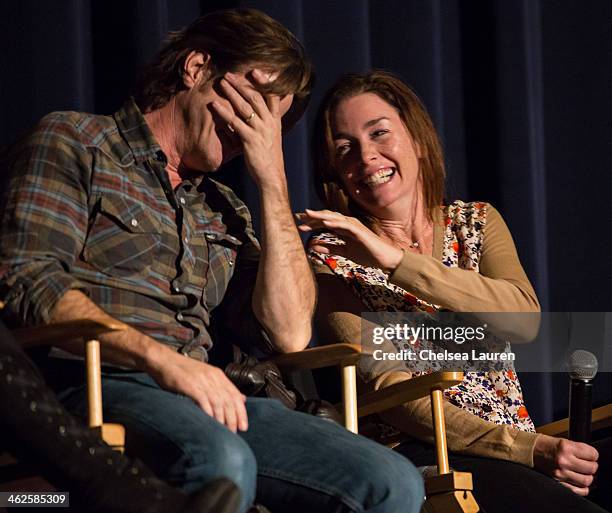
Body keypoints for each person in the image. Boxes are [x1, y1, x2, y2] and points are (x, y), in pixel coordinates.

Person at [0, 11, 424, 513]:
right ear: (197, 69)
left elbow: (289, 335)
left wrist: (272, 178)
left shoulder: (223, 207)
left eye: (272, 120)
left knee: (390, 480)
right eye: (252, 102)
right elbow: (28, 279)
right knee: (221, 460)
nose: (256, 129)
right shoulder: (78, 143)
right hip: (93, 383)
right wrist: (161, 361)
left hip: (207, 396)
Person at [298, 70, 610, 513]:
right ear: (335, 172)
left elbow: (523, 321)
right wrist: (528, 449)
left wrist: (395, 262)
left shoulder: (476, 223)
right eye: (345, 149)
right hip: (432, 454)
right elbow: (395, 396)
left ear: (418, 141)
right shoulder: (331, 260)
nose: (366, 157)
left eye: (379, 134)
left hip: (519, 448)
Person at [0, 319, 241, 513]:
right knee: (220, 454)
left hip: (199, 379)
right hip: (82, 374)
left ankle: (131, 493)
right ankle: (129, 493)